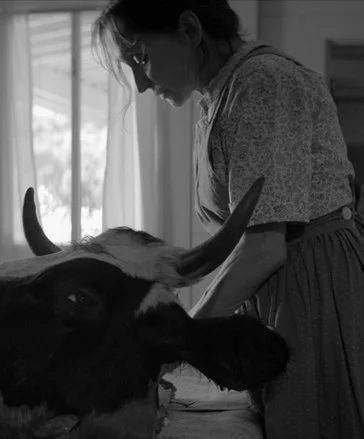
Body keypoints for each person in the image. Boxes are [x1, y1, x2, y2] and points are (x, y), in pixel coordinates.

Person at [92, 0, 364, 437]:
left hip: (313, 287)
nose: (141, 84)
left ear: (189, 29)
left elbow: (264, 248)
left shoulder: (262, 83)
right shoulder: (223, 94)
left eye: (141, 58)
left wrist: (182, 337)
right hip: (286, 287)